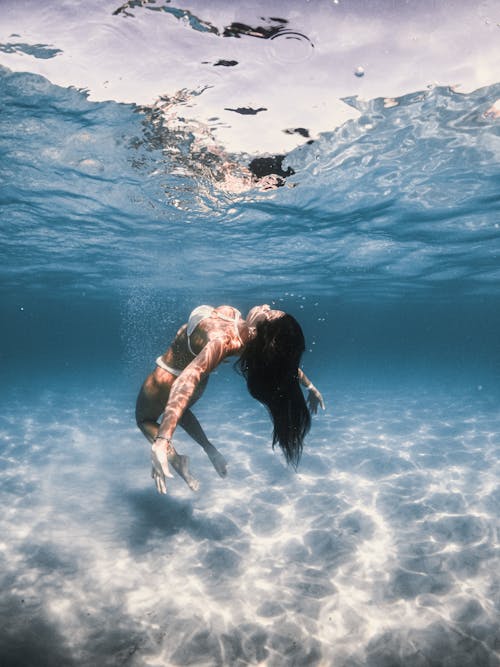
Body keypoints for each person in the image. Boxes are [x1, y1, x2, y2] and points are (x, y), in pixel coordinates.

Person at [135, 304, 325, 494]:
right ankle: (210, 449)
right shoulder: (251, 342)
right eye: (270, 310)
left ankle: (175, 459)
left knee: (144, 419)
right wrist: (310, 386)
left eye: (267, 314)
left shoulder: (224, 341)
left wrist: (162, 439)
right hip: (196, 383)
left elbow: (186, 379)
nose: (266, 306)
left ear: (255, 331)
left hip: (168, 378)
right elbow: (281, 364)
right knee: (181, 411)